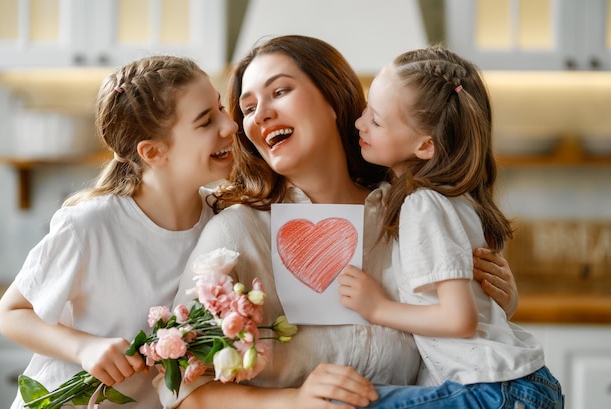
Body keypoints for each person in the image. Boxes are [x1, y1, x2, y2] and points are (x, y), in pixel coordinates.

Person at [157, 35, 520, 409]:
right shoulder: (235, 235)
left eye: (279, 91)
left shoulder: (409, 215)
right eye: (248, 109)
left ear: (332, 97)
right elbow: (181, 393)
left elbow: (458, 343)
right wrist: (293, 402)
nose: (259, 114)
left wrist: (498, 305)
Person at [0, 55, 238, 409]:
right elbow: (10, 313)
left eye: (221, 108)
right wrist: (84, 347)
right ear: (153, 152)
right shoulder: (89, 225)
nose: (229, 126)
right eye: (206, 121)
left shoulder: (222, 219)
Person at [337, 45, 563, 408]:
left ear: (426, 145)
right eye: (367, 110)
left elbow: (459, 319)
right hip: (520, 384)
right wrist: (509, 300)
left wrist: (376, 307)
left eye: (376, 121)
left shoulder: (422, 204)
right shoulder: (454, 198)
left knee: (334, 403)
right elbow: (481, 307)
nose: (359, 124)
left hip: (491, 390)